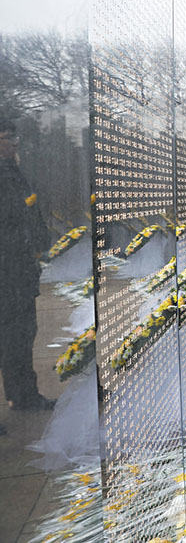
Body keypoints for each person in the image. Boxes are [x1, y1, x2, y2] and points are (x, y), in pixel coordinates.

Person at [0, 119, 54, 430]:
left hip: (19, 272)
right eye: (7, 137)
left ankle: (24, 395)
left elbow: (28, 211)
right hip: (6, 272)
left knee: (22, 336)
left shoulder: (13, 171)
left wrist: (39, 240)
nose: (14, 142)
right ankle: (21, 394)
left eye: (14, 136)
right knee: (10, 338)